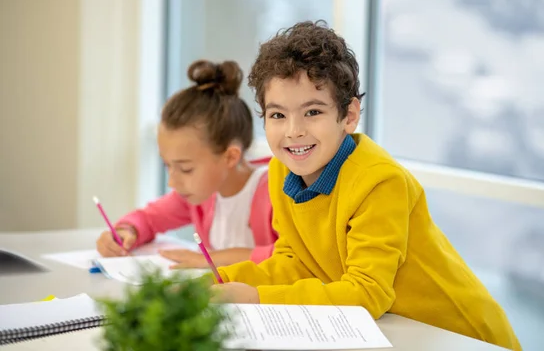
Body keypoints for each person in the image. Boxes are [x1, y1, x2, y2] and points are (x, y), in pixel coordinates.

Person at [210, 21, 521, 350]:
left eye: (312, 111)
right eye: (277, 115)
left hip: (460, 336)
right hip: (395, 332)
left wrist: (258, 297)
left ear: (349, 115)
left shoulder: (379, 181)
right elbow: (295, 262)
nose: (293, 131)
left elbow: (368, 291)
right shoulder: (281, 170)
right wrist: (222, 281)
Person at [96, 59, 276, 268]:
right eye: (167, 166)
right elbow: (149, 218)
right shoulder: (201, 195)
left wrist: (207, 260)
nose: (172, 182)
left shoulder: (276, 191)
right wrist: (126, 231)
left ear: (230, 157)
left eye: (186, 169)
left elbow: (291, 257)